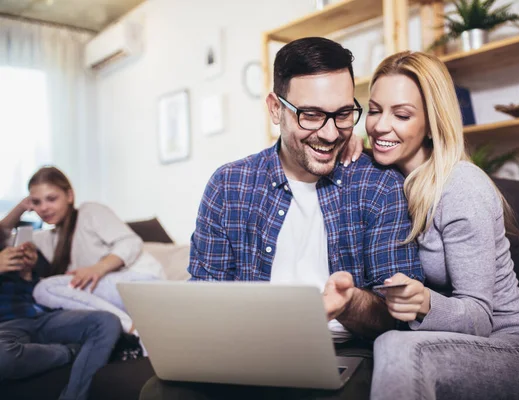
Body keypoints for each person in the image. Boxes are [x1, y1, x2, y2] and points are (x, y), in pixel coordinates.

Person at [140, 37, 422, 400]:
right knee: (160, 392)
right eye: (311, 115)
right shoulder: (230, 185)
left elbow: (398, 315)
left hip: (345, 352)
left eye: (342, 114)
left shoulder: (378, 185)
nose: (330, 133)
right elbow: (203, 294)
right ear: (275, 109)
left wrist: (350, 302)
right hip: (245, 352)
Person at [365, 51, 519, 400]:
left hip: (517, 349)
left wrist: (425, 302)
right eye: (375, 110)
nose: (380, 125)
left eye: (402, 114)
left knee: (397, 347)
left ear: (431, 122)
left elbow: (479, 318)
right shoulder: (392, 179)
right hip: (456, 346)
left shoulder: (460, 186)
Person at [2, 167, 165, 334]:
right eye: (36, 202)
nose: (43, 208)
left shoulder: (90, 212)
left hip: (143, 282)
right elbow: (3, 237)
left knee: (44, 289)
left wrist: (97, 269)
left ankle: (131, 329)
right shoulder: (47, 238)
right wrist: (20, 207)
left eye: (51, 199)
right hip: (111, 292)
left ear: (69, 196)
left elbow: (131, 242)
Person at [0, 218, 121, 400]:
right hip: (6, 328)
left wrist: (27, 272)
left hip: (40, 316)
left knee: (106, 321)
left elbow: (31, 289)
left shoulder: (5, 247)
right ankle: (69, 352)